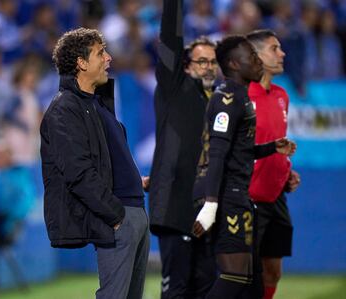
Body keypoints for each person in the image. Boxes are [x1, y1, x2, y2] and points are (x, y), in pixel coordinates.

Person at [40, 27, 149, 299]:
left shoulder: (96, 103)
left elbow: (106, 160)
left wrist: (137, 182)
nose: (109, 58)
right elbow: (78, 172)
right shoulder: (64, 108)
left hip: (134, 210)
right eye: (101, 53)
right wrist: (115, 216)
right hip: (118, 216)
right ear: (81, 62)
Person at [192, 35, 296, 299]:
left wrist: (272, 148)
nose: (256, 60)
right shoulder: (226, 99)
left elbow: (241, 151)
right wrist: (211, 206)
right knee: (235, 276)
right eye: (250, 56)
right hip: (228, 198)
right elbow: (217, 154)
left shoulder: (241, 97)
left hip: (241, 198)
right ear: (235, 64)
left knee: (253, 279)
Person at [148, 0, 219, 297]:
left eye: (213, 61)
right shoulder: (174, 87)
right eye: (202, 61)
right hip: (176, 205)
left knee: (207, 287)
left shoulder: (221, 101)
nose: (209, 66)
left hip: (207, 207)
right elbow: (170, 40)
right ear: (186, 66)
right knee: (177, 288)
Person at [246, 29, 301, 299]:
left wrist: (286, 171)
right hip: (247, 198)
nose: (282, 53)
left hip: (276, 197)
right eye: (274, 48)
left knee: (273, 271)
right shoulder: (241, 95)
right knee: (245, 274)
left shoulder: (282, 95)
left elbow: (275, 143)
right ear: (255, 56)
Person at [0, 138, 35, 290]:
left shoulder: (18, 174)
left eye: (0, 155)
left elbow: (26, 198)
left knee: (6, 248)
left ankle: (20, 281)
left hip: (10, 220)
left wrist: (13, 219)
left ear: (9, 155)